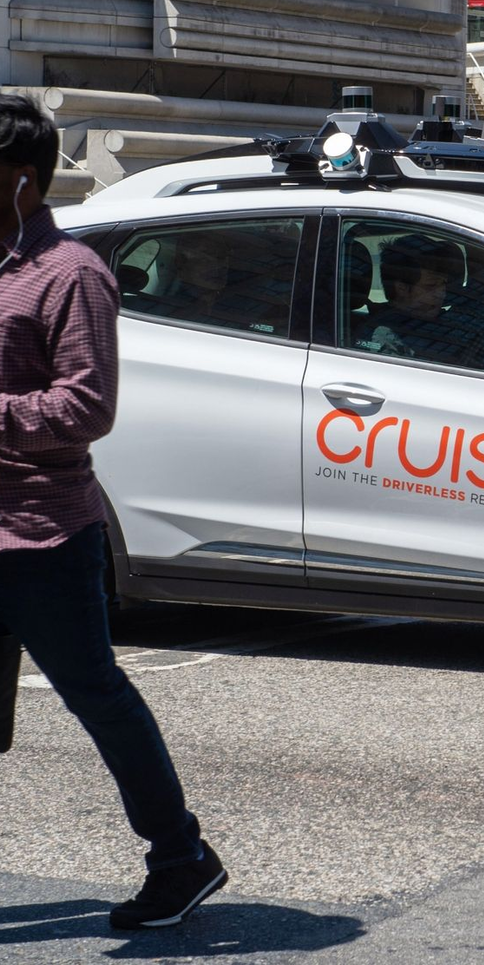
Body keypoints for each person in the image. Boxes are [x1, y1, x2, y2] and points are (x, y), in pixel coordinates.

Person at [0, 94, 227, 929]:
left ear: (22, 179)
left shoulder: (72, 275)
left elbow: (86, 407)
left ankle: (181, 857)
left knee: (97, 696)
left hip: (42, 535)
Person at [354, 232, 484, 368]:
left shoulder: (457, 318)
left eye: (443, 284)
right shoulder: (384, 338)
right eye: (430, 286)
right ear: (401, 288)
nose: (440, 294)